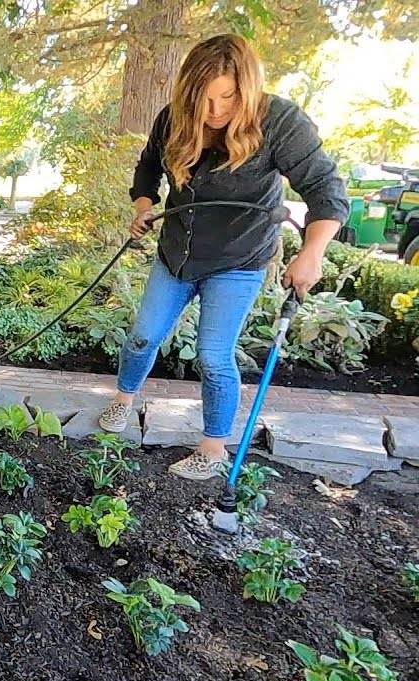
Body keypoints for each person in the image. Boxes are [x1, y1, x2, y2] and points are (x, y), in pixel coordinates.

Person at [97, 34, 348, 480]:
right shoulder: (174, 118)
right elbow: (148, 165)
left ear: (246, 88)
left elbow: (327, 192)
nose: (214, 111)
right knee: (141, 336)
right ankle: (123, 398)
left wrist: (312, 252)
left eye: (226, 97)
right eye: (203, 99)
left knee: (213, 357)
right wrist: (143, 205)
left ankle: (212, 449)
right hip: (176, 254)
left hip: (238, 261)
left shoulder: (280, 122)